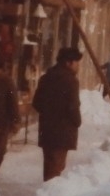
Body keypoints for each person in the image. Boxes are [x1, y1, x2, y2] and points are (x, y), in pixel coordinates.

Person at [32, 46, 83, 181]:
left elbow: (36, 102)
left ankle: (46, 195)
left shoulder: (46, 78)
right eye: (76, 62)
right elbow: (73, 106)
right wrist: (77, 122)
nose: (78, 66)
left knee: (49, 164)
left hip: (47, 130)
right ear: (68, 62)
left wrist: (48, 113)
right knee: (57, 167)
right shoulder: (71, 81)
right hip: (63, 131)